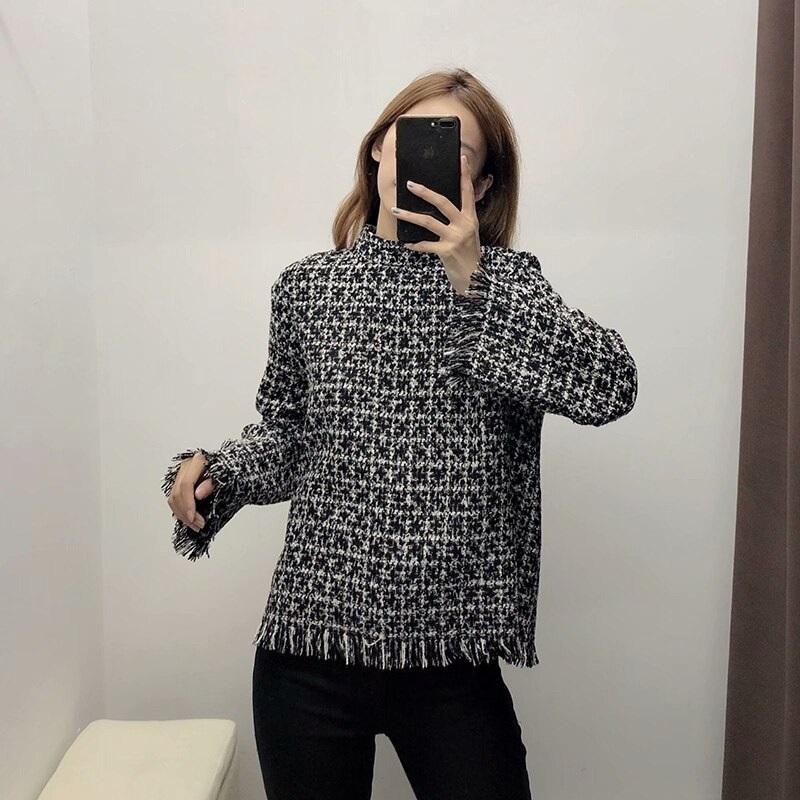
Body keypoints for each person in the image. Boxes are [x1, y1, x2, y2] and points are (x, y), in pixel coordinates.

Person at [162, 66, 638, 800]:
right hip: (310, 646)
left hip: (452, 656)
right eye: (412, 135)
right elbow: (290, 437)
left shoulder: (509, 284)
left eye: (456, 149)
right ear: (379, 149)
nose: (426, 157)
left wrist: (477, 283)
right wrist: (216, 474)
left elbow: (610, 386)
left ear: (481, 185)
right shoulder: (309, 288)